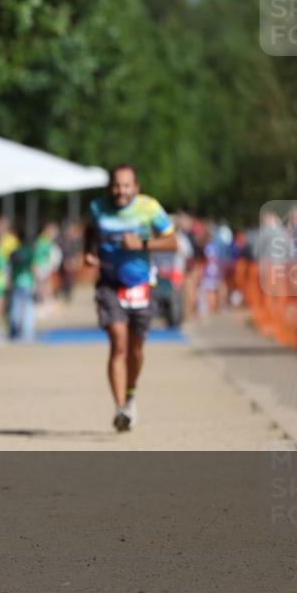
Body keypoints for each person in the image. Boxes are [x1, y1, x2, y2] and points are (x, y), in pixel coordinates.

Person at [84, 164, 177, 432]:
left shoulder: (149, 208)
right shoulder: (98, 207)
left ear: (136, 187)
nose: (120, 191)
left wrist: (143, 244)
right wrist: (88, 251)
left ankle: (131, 392)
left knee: (136, 349)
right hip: (109, 285)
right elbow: (91, 229)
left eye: (126, 186)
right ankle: (121, 408)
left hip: (142, 285)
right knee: (118, 342)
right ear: (109, 187)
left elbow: (173, 242)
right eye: (116, 185)